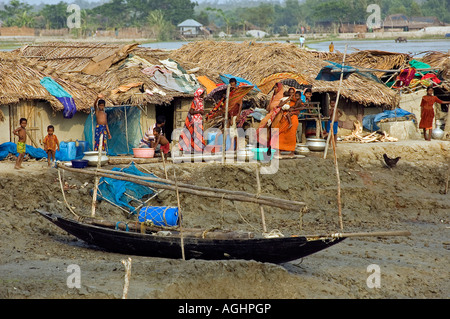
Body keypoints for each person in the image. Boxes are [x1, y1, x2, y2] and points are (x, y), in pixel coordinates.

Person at [179, 88, 206, 153]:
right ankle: (197, 149)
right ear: (200, 94)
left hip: (198, 119)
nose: (204, 95)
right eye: (203, 94)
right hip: (194, 120)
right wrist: (199, 111)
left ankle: (197, 149)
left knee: (197, 134)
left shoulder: (200, 101)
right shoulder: (195, 101)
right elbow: (191, 111)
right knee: (197, 134)